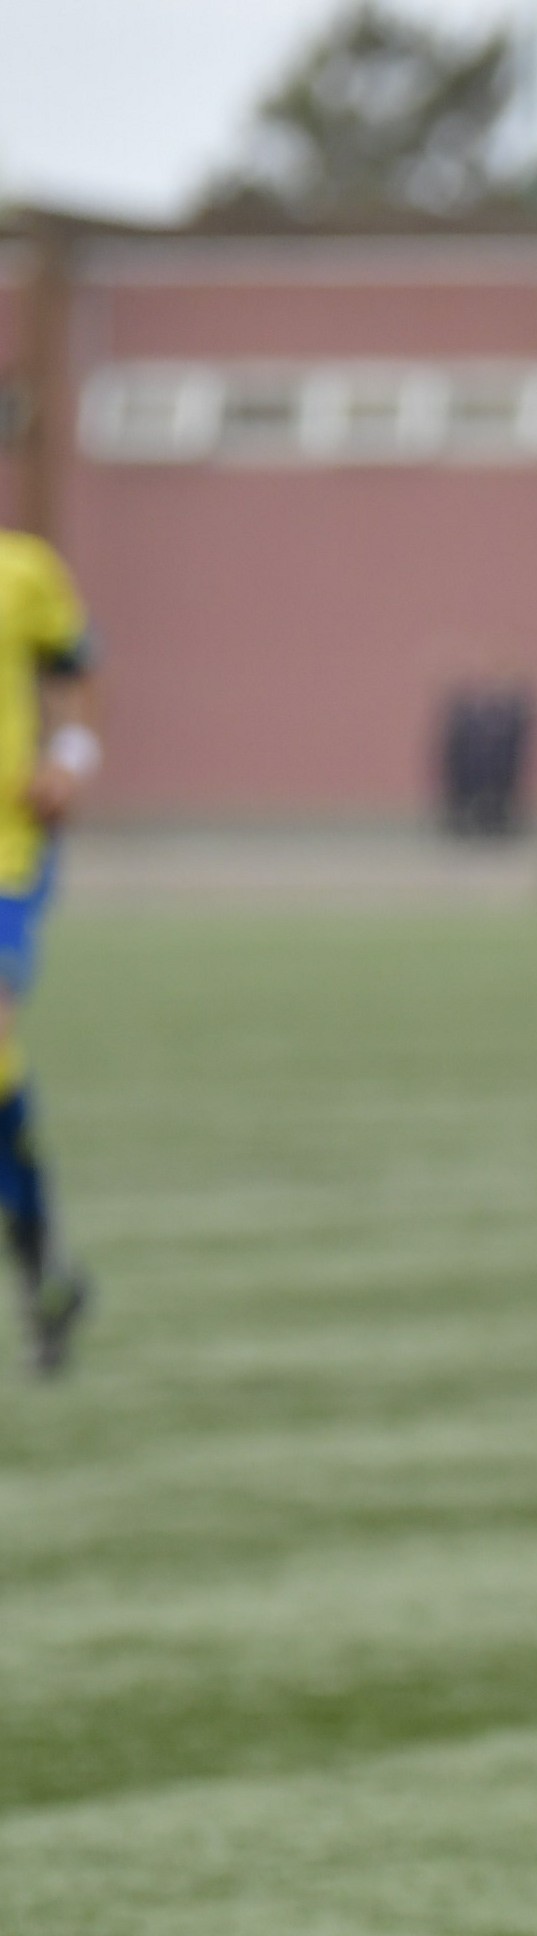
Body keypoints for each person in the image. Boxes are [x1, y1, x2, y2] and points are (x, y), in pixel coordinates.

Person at [0, 517, 97, 1375]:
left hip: (7, 852)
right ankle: (46, 1270)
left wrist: (69, 755)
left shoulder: (24, 570)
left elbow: (71, 669)